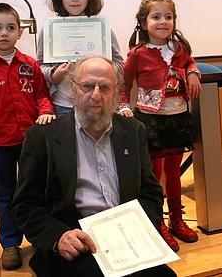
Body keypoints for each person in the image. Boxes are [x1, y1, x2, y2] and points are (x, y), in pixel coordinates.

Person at [13, 56, 176, 276]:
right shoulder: (42, 137)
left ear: (117, 92)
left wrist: (140, 229)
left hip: (127, 241)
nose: (96, 95)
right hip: (76, 241)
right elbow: (26, 206)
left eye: (105, 87)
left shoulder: (133, 131)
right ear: (73, 89)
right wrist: (58, 237)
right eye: (88, 86)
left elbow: (151, 193)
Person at [0, 3, 56, 270]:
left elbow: (42, 95)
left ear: (20, 33)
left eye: (10, 28)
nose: (4, 33)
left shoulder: (30, 65)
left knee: (36, 191)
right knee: (4, 195)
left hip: (30, 143)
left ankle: (41, 238)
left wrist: (45, 112)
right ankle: (10, 243)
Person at [118, 0, 202, 251]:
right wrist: (123, 105)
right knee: (154, 175)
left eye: (168, 17)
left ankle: (177, 218)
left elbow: (189, 62)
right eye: (156, 17)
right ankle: (157, 222)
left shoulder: (180, 49)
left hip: (176, 118)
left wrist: (193, 72)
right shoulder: (138, 54)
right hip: (150, 120)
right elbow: (125, 82)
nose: (163, 21)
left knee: (174, 171)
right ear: (144, 23)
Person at [37, 0, 124, 115]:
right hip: (62, 105)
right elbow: (39, 66)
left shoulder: (102, 28)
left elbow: (119, 63)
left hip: (97, 103)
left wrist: (103, 71)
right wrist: (53, 75)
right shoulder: (49, 30)